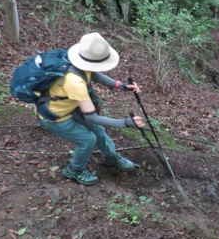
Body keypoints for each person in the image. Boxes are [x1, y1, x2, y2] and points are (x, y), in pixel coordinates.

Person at [38, 32, 146, 185]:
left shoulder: (79, 63)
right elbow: (91, 117)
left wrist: (120, 86)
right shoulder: (74, 82)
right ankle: (74, 170)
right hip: (55, 115)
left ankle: (111, 158)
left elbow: (95, 76)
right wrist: (125, 123)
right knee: (88, 139)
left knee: (99, 131)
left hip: (71, 105)